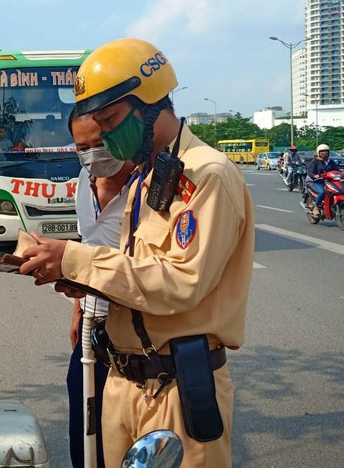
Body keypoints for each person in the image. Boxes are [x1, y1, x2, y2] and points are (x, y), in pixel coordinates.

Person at [20, 38, 254, 467]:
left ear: (149, 104)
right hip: (123, 379)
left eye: (110, 121)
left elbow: (180, 282)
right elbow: (138, 271)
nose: (106, 136)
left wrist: (75, 259)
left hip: (176, 387)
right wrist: (84, 283)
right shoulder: (148, 176)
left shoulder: (207, 176)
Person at [67, 113, 134, 468]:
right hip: (91, 323)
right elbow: (87, 245)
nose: (93, 154)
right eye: (83, 147)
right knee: (83, 422)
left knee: (120, 429)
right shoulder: (83, 179)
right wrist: (78, 312)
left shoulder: (144, 186)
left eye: (99, 143)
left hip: (132, 329)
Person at [306, 143, 339, 217]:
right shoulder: (315, 162)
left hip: (330, 181)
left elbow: (337, 170)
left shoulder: (331, 162)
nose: (324, 153)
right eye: (322, 151)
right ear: (318, 153)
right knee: (322, 192)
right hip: (319, 182)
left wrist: (343, 174)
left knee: (339, 190)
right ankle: (316, 207)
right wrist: (315, 175)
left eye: (326, 151)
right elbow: (310, 172)